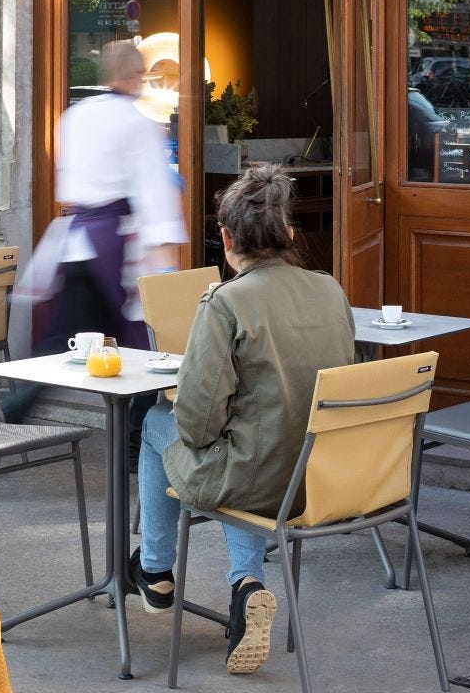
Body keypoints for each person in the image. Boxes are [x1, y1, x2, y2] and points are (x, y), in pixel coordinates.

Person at [128, 165, 355, 675]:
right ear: (291, 236)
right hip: (325, 480)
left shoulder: (225, 302)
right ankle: (246, 585)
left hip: (261, 478)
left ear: (226, 239)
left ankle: (156, 570)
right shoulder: (331, 290)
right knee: (254, 441)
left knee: (154, 427)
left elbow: (197, 424)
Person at [10, 40, 186, 466]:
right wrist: (165, 255)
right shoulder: (138, 123)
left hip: (78, 241)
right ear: (132, 78)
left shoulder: (73, 116)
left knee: (65, 340)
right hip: (114, 245)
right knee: (143, 349)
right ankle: (131, 447)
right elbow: (151, 190)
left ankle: (12, 409)